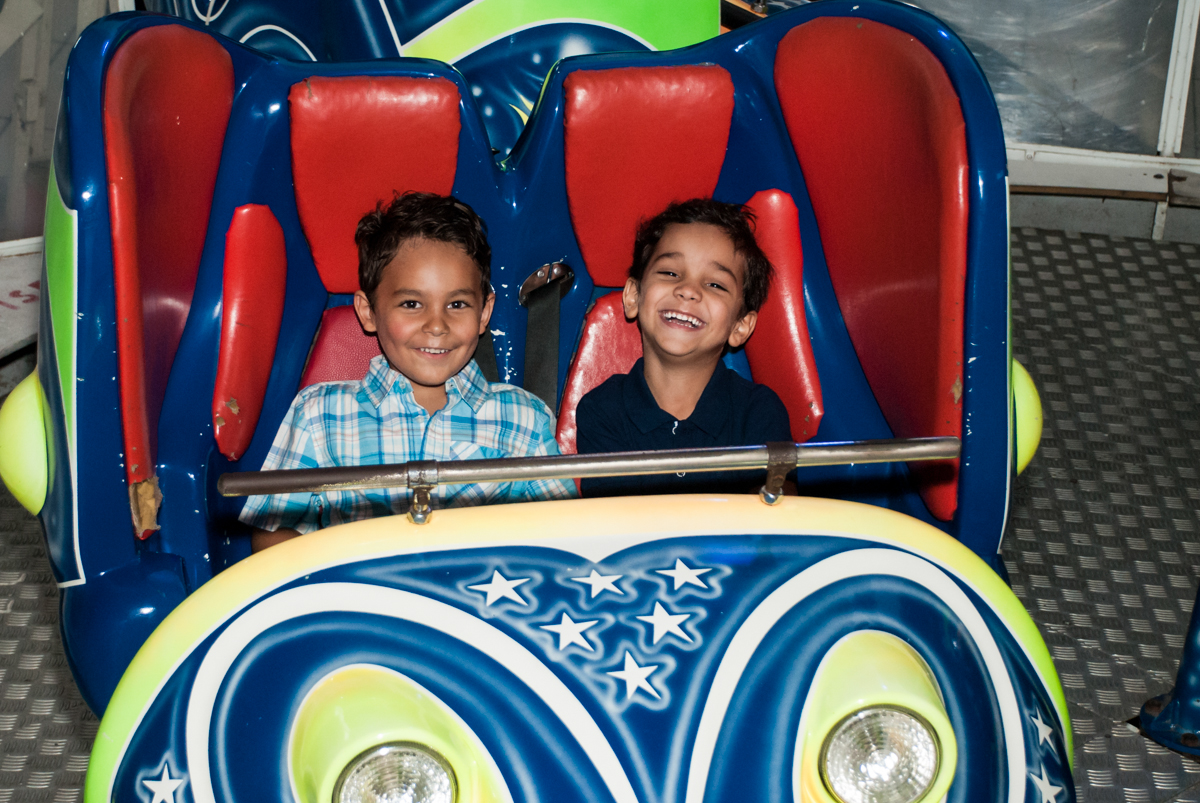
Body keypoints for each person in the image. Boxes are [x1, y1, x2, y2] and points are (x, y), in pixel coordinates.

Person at [241, 192, 575, 550]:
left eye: (457, 304)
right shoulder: (319, 414)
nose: (436, 325)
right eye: (412, 304)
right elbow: (271, 532)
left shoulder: (524, 419)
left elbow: (564, 536)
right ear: (368, 311)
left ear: (484, 312)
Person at [575, 198, 792, 496]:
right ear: (634, 296)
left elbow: (774, 525)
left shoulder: (759, 412)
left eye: (715, 284)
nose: (688, 290)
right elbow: (615, 528)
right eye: (670, 273)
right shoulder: (602, 410)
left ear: (740, 326)